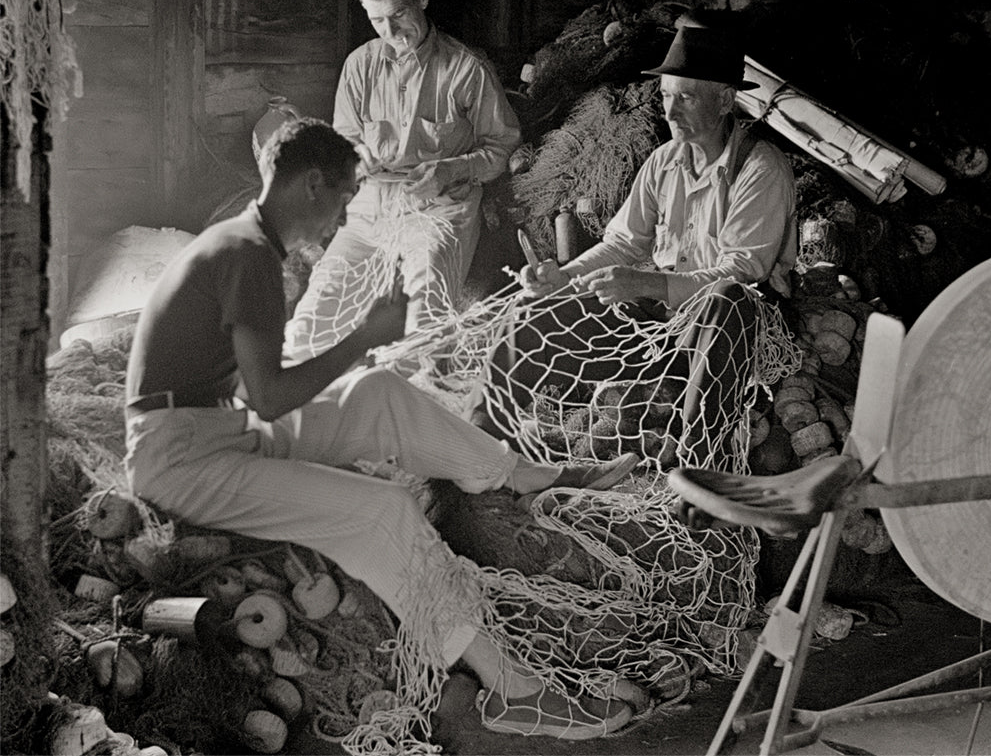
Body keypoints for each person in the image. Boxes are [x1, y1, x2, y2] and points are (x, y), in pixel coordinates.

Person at [123, 117, 639, 740]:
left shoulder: (244, 245)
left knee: (375, 392)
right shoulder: (245, 255)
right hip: (180, 460)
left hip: (217, 428)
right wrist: (362, 336)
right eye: (343, 199)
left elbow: (245, 389)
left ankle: (523, 475)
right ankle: (513, 691)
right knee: (383, 511)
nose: (342, 222)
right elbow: (270, 397)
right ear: (313, 184)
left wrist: (357, 360)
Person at [474, 15, 797, 462]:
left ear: (724, 100)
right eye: (666, 96)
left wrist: (646, 284)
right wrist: (564, 277)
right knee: (533, 308)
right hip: (656, 321)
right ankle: (483, 435)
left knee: (728, 301)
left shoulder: (760, 169)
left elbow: (741, 274)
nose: (670, 110)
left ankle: (694, 464)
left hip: (720, 336)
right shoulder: (664, 160)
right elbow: (624, 243)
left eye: (685, 97)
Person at [285, 0, 521, 357]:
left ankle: (409, 402)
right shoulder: (359, 66)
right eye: (377, 20)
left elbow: (501, 147)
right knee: (316, 311)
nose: (389, 31)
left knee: (424, 311)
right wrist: (356, 154)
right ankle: (307, 404)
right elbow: (343, 139)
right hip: (370, 207)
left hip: (440, 207)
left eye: (397, 15)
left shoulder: (466, 69)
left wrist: (449, 171)